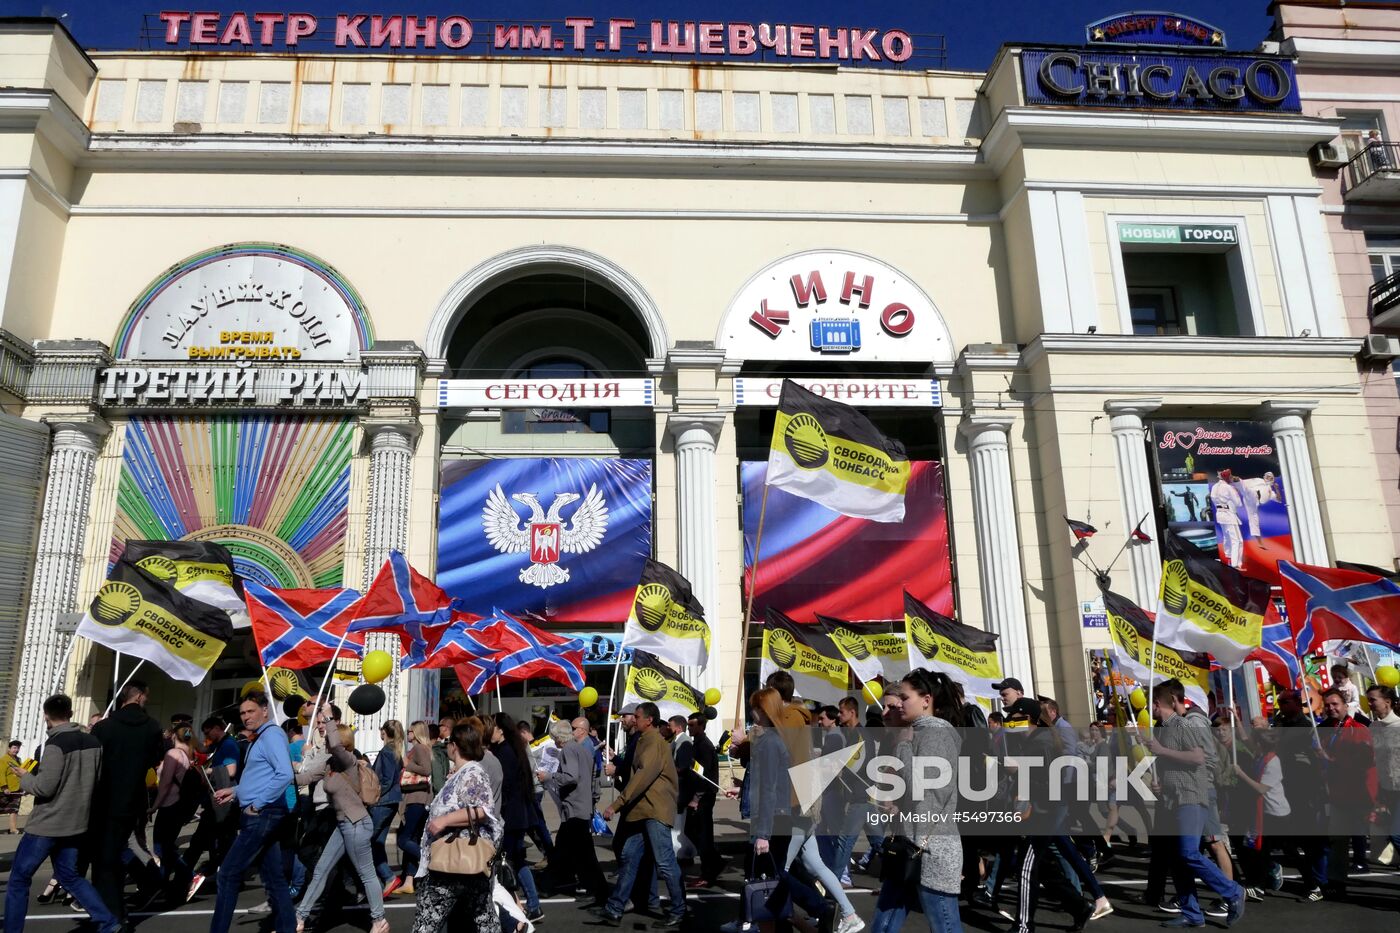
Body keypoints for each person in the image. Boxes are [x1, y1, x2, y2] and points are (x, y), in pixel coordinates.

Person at [4, 694, 121, 933]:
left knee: (18, 880)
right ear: (69, 713)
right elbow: (97, 780)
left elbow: (43, 787)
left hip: (47, 823)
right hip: (77, 822)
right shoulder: (93, 742)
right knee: (69, 876)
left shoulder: (55, 745)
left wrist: (24, 777)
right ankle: (108, 922)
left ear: (46, 715)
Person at [1145, 679, 1245, 928]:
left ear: (1157, 703)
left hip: (1190, 796)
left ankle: (1233, 891)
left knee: (1189, 852)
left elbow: (1198, 756)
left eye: (1150, 703)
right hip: (1173, 798)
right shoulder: (1164, 728)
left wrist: (1162, 750)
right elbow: (1173, 763)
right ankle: (1192, 913)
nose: (1148, 708)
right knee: (1178, 859)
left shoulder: (1181, 724)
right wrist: (1161, 783)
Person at [591, 701, 687, 927]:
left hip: (654, 810)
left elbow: (642, 777)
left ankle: (678, 909)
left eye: (637, 715)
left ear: (648, 720)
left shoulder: (654, 742)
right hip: (641, 811)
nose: (633, 719)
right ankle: (614, 908)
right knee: (629, 857)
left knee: (664, 862)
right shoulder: (644, 740)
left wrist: (616, 805)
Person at [293, 706, 389, 933]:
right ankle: (300, 917)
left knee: (366, 873)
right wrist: (280, 772)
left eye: (327, 732)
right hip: (343, 825)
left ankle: (379, 920)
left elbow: (335, 744)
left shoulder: (349, 761)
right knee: (321, 870)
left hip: (356, 824)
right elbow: (305, 777)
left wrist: (327, 717)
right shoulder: (330, 765)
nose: (323, 735)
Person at [210, 690, 296, 933]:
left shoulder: (271, 735)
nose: (246, 717)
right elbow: (261, 777)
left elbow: (285, 774)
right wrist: (236, 791)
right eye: (242, 713)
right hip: (263, 813)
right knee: (274, 878)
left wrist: (257, 804)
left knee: (227, 874)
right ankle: (288, 928)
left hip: (262, 815)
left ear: (265, 710)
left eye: (251, 711)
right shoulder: (262, 737)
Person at [411, 721, 502, 933]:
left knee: (427, 921)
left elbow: (482, 810)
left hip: (454, 859)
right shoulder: (464, 772)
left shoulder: (472, 772)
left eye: (449, 743)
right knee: (483, 919)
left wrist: (443, 820)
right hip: (461, 860)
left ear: (456, 746)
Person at [89, 678, 165, 925]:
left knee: (105, 860)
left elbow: (94, 766)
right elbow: (155, 759)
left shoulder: (104, 728)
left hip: (105, 800)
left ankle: (112, 914)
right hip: (133, 800)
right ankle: (148, 882)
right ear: (140, 696)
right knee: (123, 849)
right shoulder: (152, 727)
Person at [1318, 686, 1376, 898]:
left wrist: (1330, 760)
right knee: (1338, 840)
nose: (1331, 708)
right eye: (1327, 705)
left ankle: (1357, 865)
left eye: (1335, 704)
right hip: (1337, 795)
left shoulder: (1357, 728)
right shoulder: (1326, 729)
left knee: (1386, 837)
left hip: (1361, 793)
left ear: (1344, 705)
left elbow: (1363, 761)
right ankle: (1337, 882)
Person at [545, 717, 608, 901]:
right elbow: (590, 777)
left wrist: (550, 776)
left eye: (555, 737)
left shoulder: (569, 750)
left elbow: (571, 777)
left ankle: (597, 889)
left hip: (574, 808)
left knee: (579, 852)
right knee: (578, 851)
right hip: (581, 806)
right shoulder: (584, 750)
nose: (554, 741)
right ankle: (591, 887)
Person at [491, 711, 544, 922]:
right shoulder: (512, 749)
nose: (490, 732)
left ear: (500, 730)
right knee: (515, 860)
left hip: (510, 815)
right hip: (517, 814)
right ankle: (532, 904)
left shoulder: (505, 753)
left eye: (492, 728)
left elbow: (504, 786)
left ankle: (518, 908)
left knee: (508, 861)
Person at [1231, 727, 1288, 901]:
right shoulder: (1260, 755)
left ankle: (1313, 885)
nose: (1250, 743)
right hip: (1263, 811)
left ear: (1260, 744)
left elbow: (1261, 788)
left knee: (1286, 851)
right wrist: (1238, 720)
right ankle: (1259, 885)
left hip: (1276, 812)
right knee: (1258, 850)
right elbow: (1246, 738)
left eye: (1254, 741)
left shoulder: (1272, 761)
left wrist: (1240, 773)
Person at [150, 724, 203, 905]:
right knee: (167, 845)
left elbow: (165, 784)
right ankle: (161, 884)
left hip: (169, 804)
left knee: (161, 846)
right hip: (181, 806)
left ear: (173, 736)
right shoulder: (189, 756)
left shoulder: (173, 754)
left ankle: (190, 875)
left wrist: (154, 806)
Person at [390, 720, 435, 896]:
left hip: (416, 799)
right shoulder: (421, 748)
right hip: (416, 799)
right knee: (413, 838)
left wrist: (406, 762)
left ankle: (429, 861)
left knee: (404, 839)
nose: (407, 734)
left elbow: (426, 769)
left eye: (409, 731)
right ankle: (409, 880)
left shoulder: (419, 748)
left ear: (415, 733)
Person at [683, 711, 724, 887]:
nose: (689, 728)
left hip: (704, 797)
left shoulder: (704, 746)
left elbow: (704, 775)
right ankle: (714, 862)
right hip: (699, 796)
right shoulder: (697, 744)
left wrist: (696, 798)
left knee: (702, 835)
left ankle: (709, 871)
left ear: (701, 725)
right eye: (688, 725)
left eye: (692, 725)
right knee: (694, 832)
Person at [1366, 684, 1400, 858]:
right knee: (1382, 835)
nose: (1369, 703)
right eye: (1368, 700)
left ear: (1387, 702)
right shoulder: (1374, 728)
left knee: (1396, 834)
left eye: (1373, 700)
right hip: (1386, 791)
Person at [371, 720, 405, 891]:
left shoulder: (387, 751)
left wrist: (375, 795)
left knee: (368, 841)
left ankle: (385, 877)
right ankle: (387, 877)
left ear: (384, 732)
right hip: (391, 802)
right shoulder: (396, 750)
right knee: (377, 842)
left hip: (383, 802)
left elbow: (387, 779)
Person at [1209, 469, 1246, 569]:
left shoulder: (1214, 487)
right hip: (1229, 515)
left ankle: (1229, 558)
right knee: (1237, 540)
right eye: (1230, 476)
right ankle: (1236, 564)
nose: (1231, 478)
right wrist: (1236, 492)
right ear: (1227, 477)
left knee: (1227, 538)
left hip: (1220, 514)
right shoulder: (1229, 488)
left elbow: (1213, 499)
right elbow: (1238, 503)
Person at [0, 740, 23, 835]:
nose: (16, 750)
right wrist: (4, 787)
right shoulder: (3, 759)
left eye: (18, 748)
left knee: (14, 810)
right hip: (5, 789)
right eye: (14, 748)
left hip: (17, 789)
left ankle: (13, 829)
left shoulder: (19, 760)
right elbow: (1, 774)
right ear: (9, 748)